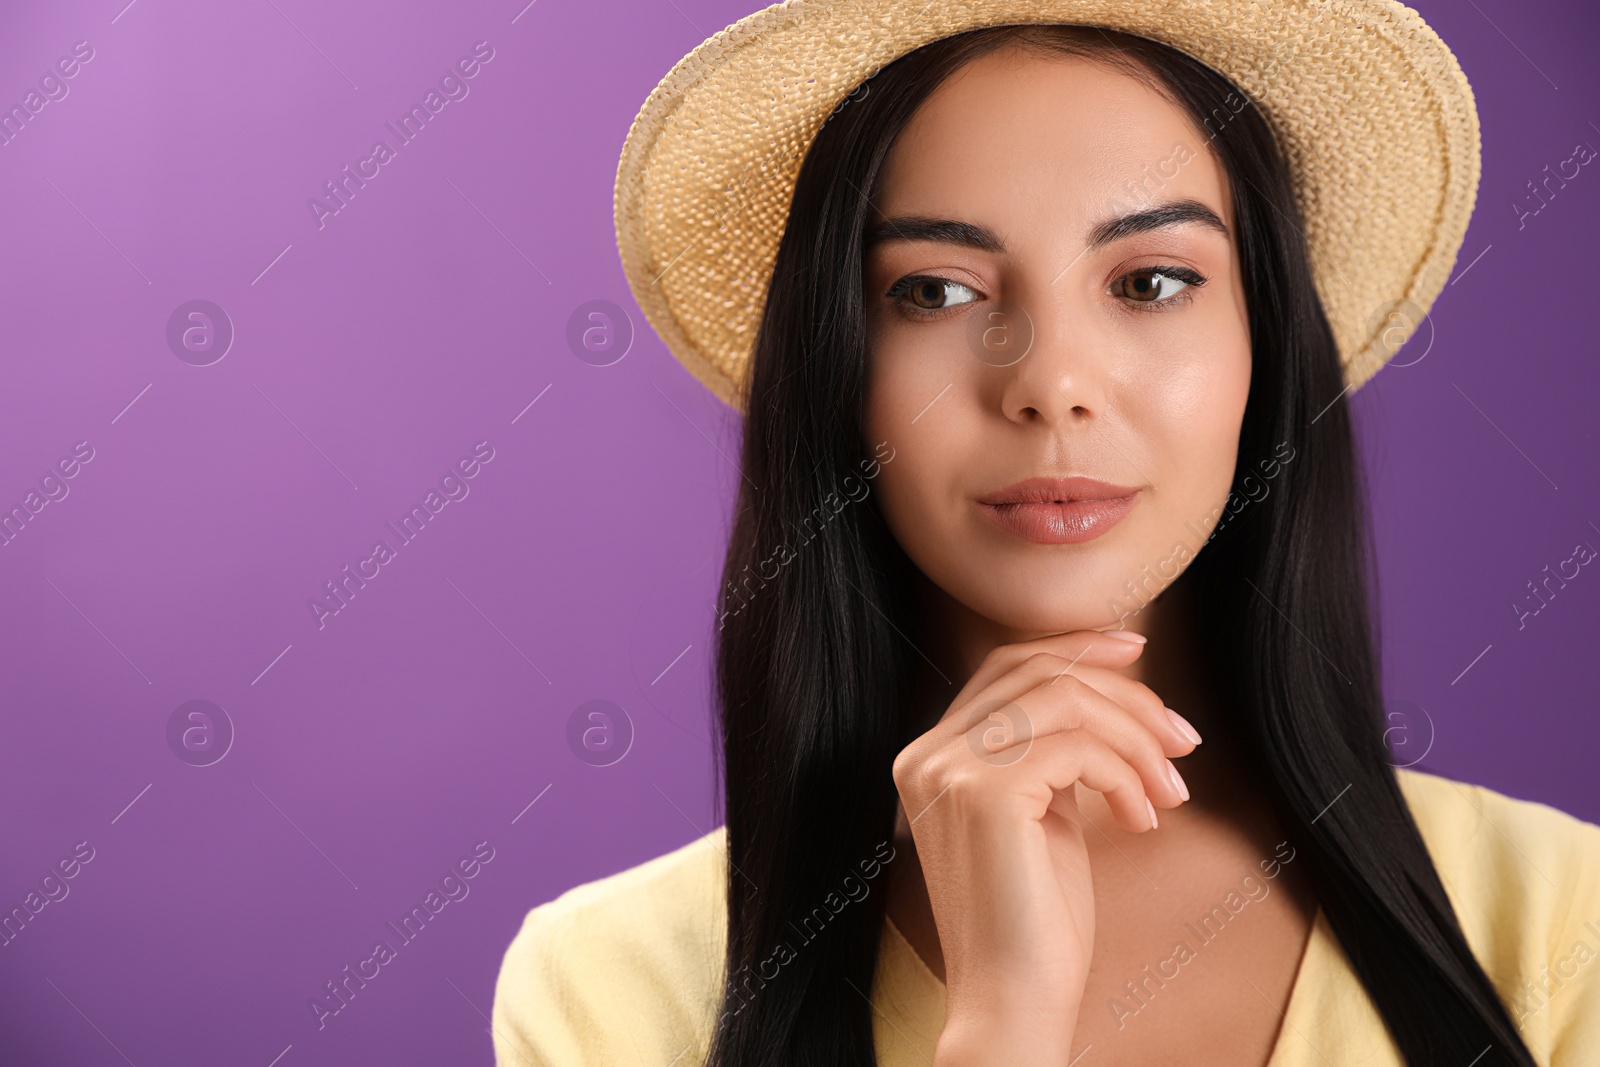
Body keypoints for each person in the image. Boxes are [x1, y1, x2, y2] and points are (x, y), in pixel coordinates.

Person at [493, 4, 1600, 1065]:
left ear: (1264, 346)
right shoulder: (613, 985)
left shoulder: (1561, 919)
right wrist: (1002, 1021)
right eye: (932, 289)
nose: (1051, 382)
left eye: (1152, 280)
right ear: (833, 370)